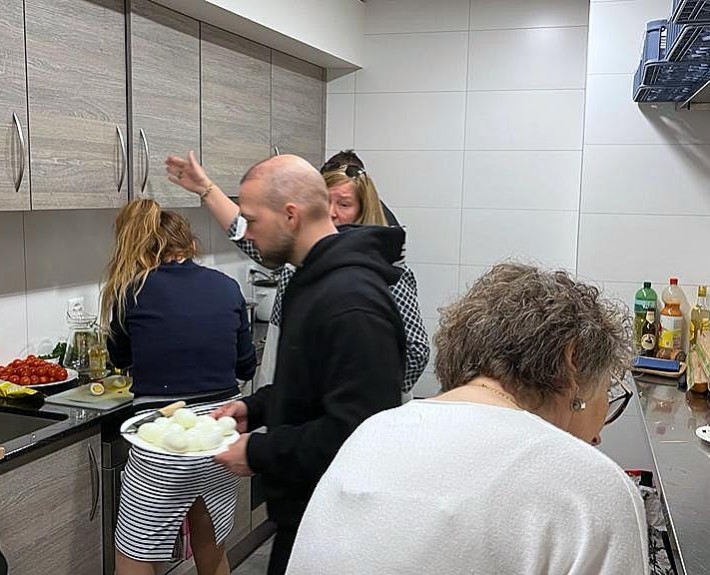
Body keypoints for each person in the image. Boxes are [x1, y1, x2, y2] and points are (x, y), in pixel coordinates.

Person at [286, 263, 650, 575]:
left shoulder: (371, 434)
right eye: (608, 390)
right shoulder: (591, 487)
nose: (597, 438)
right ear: (572, 361)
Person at [166, 153, 406, 575]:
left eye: (252, 220)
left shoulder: (352, 299)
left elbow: (357, 431)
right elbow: (314, 384)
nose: (247, 233)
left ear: (291, 216)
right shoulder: (309, 280)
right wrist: (255, 408)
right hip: (306, 515)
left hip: (337, 527)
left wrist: (257, 451)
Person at [165, 151, 429, 395]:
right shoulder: (301, 255)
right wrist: (206, 189)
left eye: (344, 204)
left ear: (363, 209)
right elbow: (246, 233)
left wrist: (374, 394)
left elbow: (416, 351)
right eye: (326, 201)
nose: (332, 213)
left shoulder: (384, 269)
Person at [101, 199, 256, 575]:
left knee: (134, 555)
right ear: (189, 243)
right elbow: (245, 366)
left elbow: (119, 359)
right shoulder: (226, 286)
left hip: (163, 437)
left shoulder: (129, 291)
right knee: (211, 546)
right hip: (218, 432)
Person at [321, 149, 400, 226]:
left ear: (363, 209)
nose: (330, 213)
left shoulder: (385, 225)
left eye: (344, 205)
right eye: (324, 201)